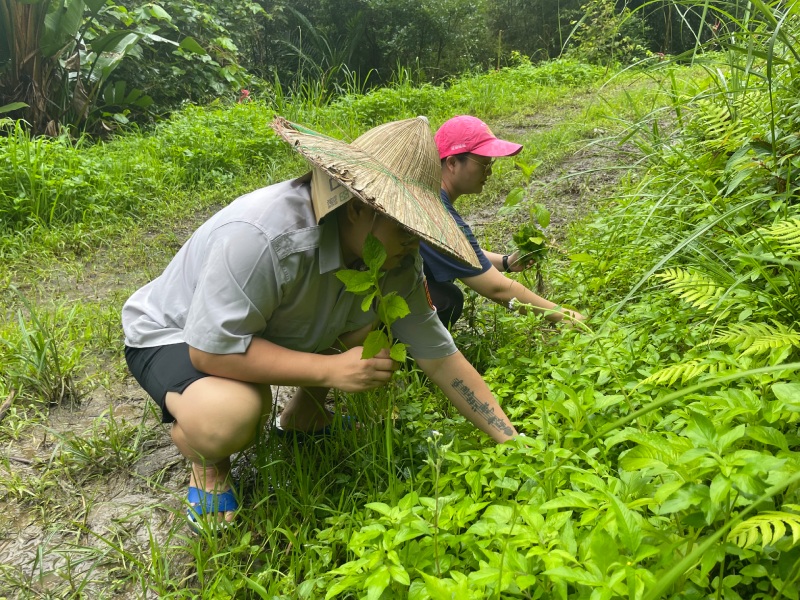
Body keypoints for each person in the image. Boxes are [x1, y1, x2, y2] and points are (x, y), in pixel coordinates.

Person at [122, 116, 522, 529]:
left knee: (382, 322)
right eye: (405, 225)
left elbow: (439, 357)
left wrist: (511, 441)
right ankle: (208, 466)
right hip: (177, 333)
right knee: (234, 414)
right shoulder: (262, 236)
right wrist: (331, 369)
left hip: (262, 328)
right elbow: (209, 349)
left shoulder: (396, 257)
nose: (413, 240)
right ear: (356, 208)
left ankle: (305, 416)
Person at [420, 115, 585, 328]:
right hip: (374, 302)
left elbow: (456, 251)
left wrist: (506, 262)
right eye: (483, 164)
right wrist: (565, 316)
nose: (489, 172)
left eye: (491, 163)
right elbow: (497, 289)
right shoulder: (437, 215)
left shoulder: (429, 196)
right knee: (446, 299)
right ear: (452, 163)